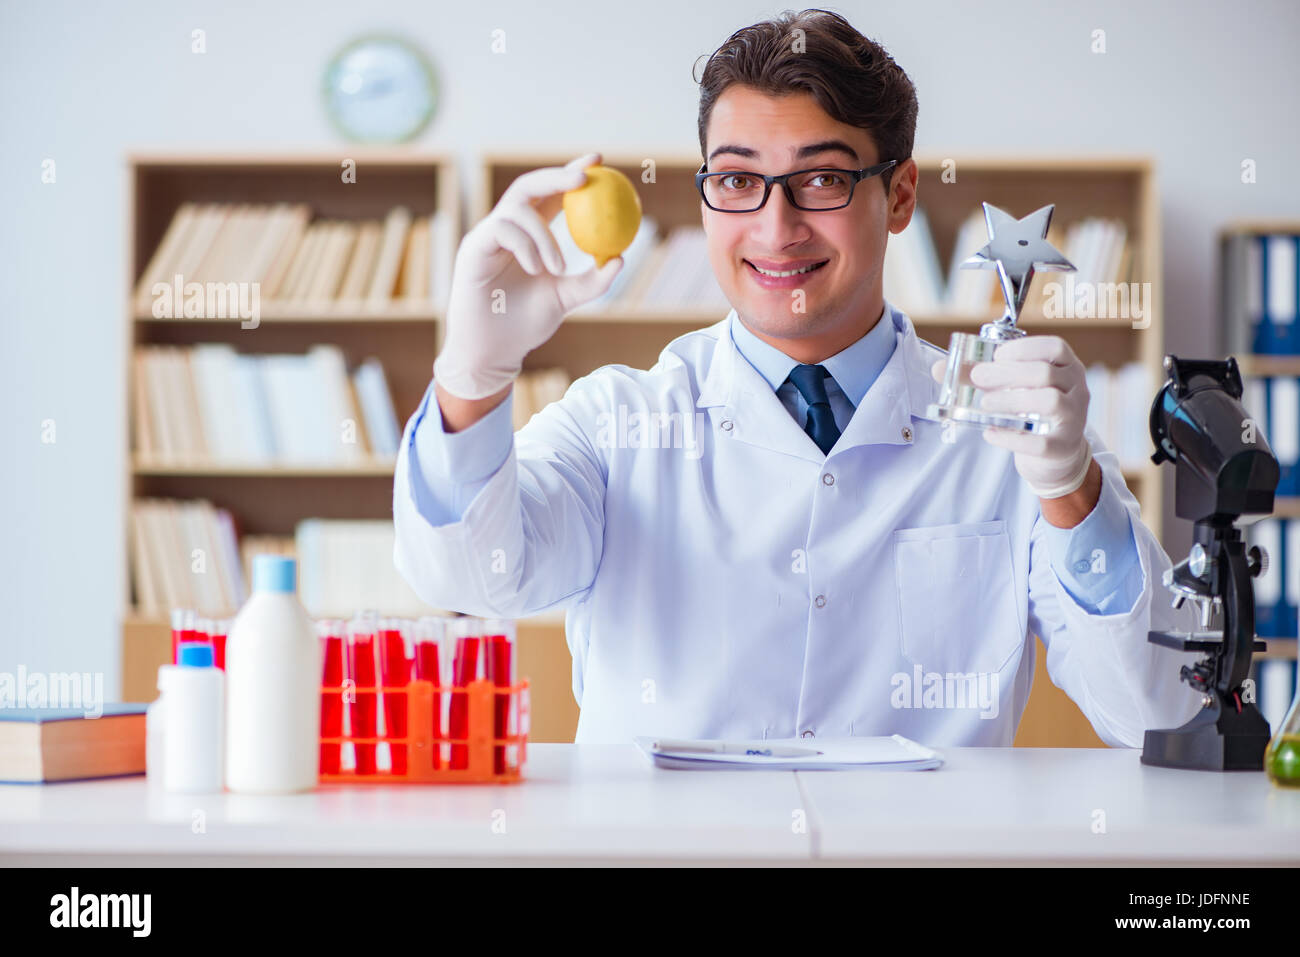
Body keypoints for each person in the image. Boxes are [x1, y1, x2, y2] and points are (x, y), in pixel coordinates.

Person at [394, 9, 1202, 746]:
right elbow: (470, 580)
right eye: (738, 181)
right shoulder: (619, 421)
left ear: (900, 195)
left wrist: (1071, 494)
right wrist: (473, 378)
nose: (775, 230)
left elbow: (1157, 711)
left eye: (821, 179)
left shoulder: (1015, 427)